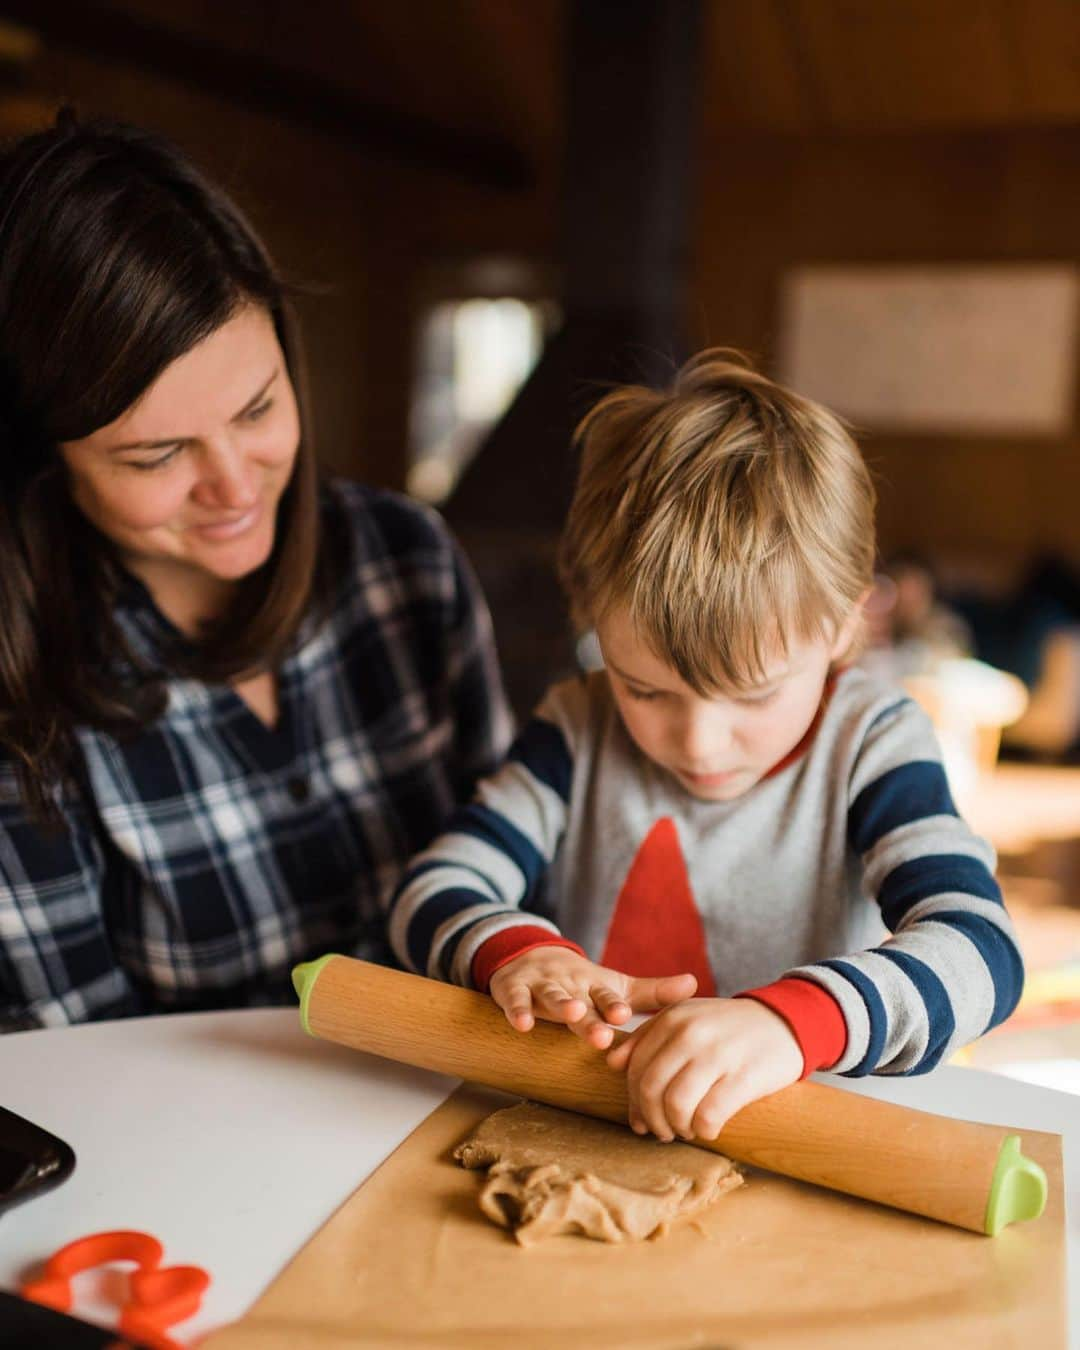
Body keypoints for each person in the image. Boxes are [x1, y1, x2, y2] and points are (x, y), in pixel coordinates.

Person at [387, 351, 1024, 1144]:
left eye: (754, 694)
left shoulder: (872, 742)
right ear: (592, 621)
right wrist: (516, 954)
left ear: (844, 627)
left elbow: (982, 950)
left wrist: (788, 1025)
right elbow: (432, 887)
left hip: (805, 1140)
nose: (696, 741)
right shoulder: (577, 726)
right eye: (645, 689)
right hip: (599, 1125)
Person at [0, 113, 511, 1031]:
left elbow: (520, 860)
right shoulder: (21, 685)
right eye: (156, 456)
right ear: (43, 464)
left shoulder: (407, 562)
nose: (234, 486)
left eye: (258, 408)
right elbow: (73, 1076)